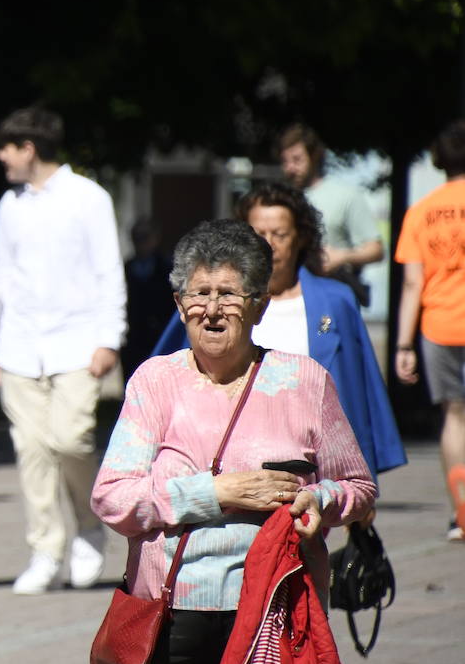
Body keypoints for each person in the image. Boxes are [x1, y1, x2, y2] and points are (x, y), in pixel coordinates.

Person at [92, 218, 377, 664]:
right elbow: (113, 498)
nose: (212, 309)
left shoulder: (303, 381)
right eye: (199, 294)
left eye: (229, 294)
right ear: (179, 305)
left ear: (259, 306)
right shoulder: (155, 381)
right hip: (175, 618)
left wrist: (321, 501)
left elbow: (359, 487)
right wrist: (217, 492)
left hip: (273, 615)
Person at [152, 181, 407, 479]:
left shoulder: (335, 303)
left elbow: (358, 390)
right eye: (259, 234)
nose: (269, 243)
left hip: (309, 471)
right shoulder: (208, 303)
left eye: (280, 234)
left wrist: (358, 478)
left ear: (300, 239)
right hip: (218, 462)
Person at [0, 106, 125, 594]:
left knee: (71, 441)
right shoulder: (11, 206)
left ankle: (90, 529)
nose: (2, 157)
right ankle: (45, 549)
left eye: (7, 148)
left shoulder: (89, 198)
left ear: (29, 148)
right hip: (21, 349)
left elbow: (109, 270)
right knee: (32, 450)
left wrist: (109, 338)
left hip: (76, 346)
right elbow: (1, 279)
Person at [394, 118, 465, 541]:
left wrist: (404, 344)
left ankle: (461, 514)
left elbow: (411, 283)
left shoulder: (421, 212)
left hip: (438, 324)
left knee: (454, 417)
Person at [278, 123, 384, 306]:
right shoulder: (278, 199)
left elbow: (376, 250)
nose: (290, 167)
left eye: (297, 160)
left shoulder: (346, 195)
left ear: (314, 157)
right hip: (287, 297)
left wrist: (342, 256)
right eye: (285, 161)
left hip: (331, 295)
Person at [121, 218, 174, 378]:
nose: (141, 242)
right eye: (137, 237)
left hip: (159, 335)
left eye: (145, 236)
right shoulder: (126, 268)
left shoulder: (168, 268)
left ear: (156, 238)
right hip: (133, 338)